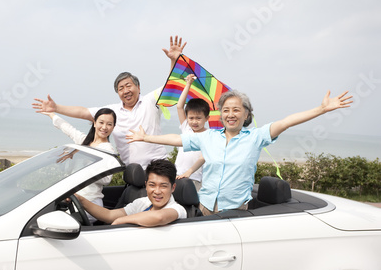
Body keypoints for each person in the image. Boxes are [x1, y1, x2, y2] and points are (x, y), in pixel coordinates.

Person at [126, 89, 353, 216]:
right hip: (203, 208)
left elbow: (286, 122)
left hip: (236, 211)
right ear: (221, 115)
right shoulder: (209, 136)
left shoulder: (255, 137)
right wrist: (145, 137)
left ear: (246, 115)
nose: (230, 114)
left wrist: (321, 109)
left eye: (236, 110)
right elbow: (177, 139)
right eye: (226, 110)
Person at [32, 36, 187, 169]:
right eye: (121, 88)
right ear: (117, 93)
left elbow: (172, 84)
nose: (125, 91)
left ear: (138, 87)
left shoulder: (150, 101)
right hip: (132, 173)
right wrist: (56, 108)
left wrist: (174, 60)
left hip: (158, 167)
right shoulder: (112, 113)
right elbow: (84, 112)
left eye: (128, 85)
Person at [42, 108, 117, 223]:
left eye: (109, 124)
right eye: (101, 122)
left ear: (113, 127)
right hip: (73, 199)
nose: (104, 127)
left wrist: (89, 164)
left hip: (91, 203)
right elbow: (68, 129)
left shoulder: (108, 149)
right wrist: (51, 114)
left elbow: (107, 179)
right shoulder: (84, 142)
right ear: (94, 123)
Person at [75, 159, 187, 227]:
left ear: (173, 188)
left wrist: (121, 220)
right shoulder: (142, 203)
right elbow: (109, 215)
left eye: (163, 186)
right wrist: (80, 200)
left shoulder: (178, 209)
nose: (157, 191)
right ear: (146, 185)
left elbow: (159, 217)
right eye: (152, 185)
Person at [173, 74, 209, 191]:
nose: (194, 122)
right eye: (191, 118)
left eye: (198, 118)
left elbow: (203, 158)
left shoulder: (208, 135)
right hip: (177, 175)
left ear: (206, 118)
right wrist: (188, 84)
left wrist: (189, 172)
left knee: (192, 206)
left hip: (194, 177)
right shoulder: (186, 128)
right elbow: (179, 106)